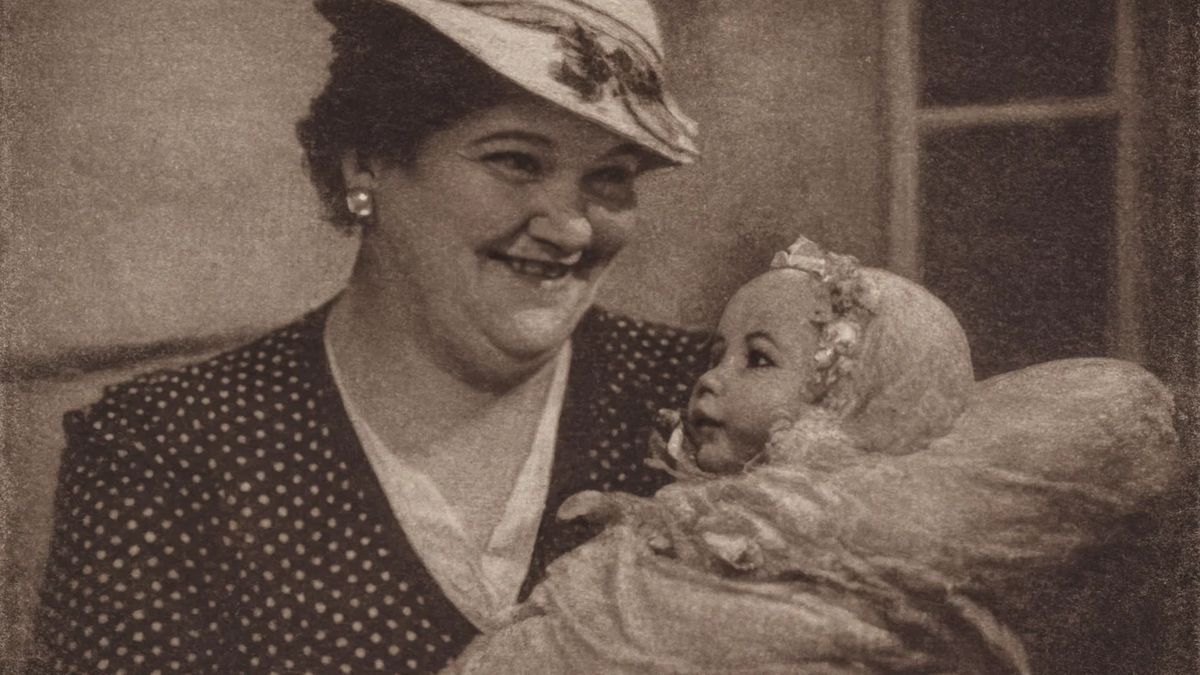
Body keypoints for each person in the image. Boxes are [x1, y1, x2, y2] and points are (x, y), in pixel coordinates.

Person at [29, 1, 709, 672]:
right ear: (367, 162)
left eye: (610, 176)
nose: (572, 228)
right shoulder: (164, 450)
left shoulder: (707, 393)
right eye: (517, 161)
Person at [448, 237, 1184, 674]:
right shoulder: (715, 505)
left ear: (845, 401)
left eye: (757, 359)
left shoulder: (848, 550)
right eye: (717, 353)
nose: (710, 378)